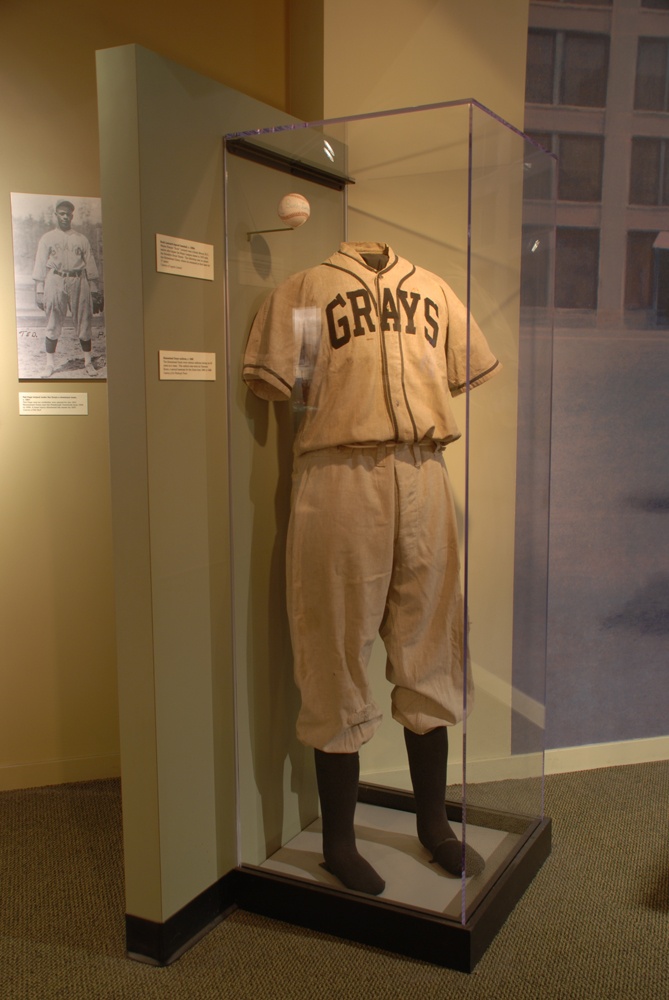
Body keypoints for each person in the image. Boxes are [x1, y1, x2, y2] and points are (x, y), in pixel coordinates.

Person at [244, 242, 501, 895]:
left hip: (424, 472)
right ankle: (337, 841)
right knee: (332, 648)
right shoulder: (305, 286)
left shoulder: (434, 289)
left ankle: (433, 824)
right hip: (336, 473)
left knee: (433, 643)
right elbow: (277, 378)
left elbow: (465, 365)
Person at [32, 199, 102, 378]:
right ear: (56, 215)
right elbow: (40, 264)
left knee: (84, 320)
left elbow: (90, 264)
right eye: (61, 213)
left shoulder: (81, 238)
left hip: (79, 279)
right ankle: (50, 364)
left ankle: (87, 362)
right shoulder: (48, 238)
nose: (65, 217)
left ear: (72, 216)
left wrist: (94, 289)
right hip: (55, 279)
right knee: (53, 321)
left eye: (68, 214)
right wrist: (39, 289)